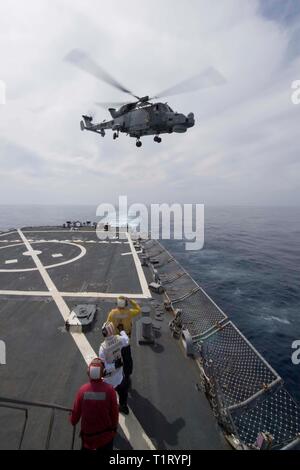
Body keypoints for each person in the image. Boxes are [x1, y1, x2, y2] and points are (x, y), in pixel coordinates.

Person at [70, 358, 118, 451]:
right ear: (103, 373)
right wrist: (114, 429)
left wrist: (72, 419)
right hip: (106, 438)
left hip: (88, 439)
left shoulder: (82, 390)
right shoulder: (110, 390)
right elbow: (114, 413)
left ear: (88, 373)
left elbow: (74, 418)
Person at [107, 297, 141, 380]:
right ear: (125, 304)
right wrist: (131, 301)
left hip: (115, 341)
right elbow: (138, 309)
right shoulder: (129, 313)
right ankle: (127, 374)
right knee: (127, 359)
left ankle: (115, 373)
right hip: (125, 341)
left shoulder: (112, 313)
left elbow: (107, 325)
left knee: (115, 357)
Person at [99, 322, 130, 415]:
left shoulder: (102, 348)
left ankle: (108, 409)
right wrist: (122, 331)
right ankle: (123, 407)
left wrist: (113, 366)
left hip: (108, 380)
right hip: (119, 376)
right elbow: (127, 340)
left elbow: (103, 368)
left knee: (107, 397)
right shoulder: (119, 339)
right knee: (123, 394)